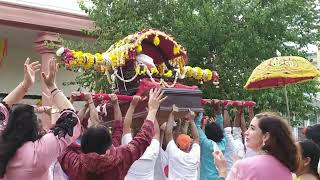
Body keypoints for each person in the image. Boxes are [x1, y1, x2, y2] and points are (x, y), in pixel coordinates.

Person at [58, 88, 166, 180]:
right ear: (110, 144)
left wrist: (71, 102)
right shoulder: (119, 159)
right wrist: (152, 109)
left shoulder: (74, 163)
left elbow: (62, 139)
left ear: (82, 146)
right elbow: (141, 138)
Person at [0, 58, 81, 180]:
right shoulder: (39, 150)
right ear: (35, 125)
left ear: (9, 122)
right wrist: (52, 86)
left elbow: (2, 108)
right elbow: (71, 120)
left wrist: (25, 85)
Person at [213, 112, 300, 180]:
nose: (246, 132)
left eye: (252, 128)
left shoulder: (244, 166)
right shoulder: (286, 168)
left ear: (265, 136)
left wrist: (223, 170)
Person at [122, 95, 160, 180]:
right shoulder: (153, 150)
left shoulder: (129, 148)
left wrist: (132, 105)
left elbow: (125, 127)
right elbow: (157, 132)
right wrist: (152, 111)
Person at [165, 107, 200, 180]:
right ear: (189, 145)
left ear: (177, 144)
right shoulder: (194, 156)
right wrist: (192, 120)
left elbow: (168, 134)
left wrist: (172, 114)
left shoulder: (174, 153)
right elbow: (196, 138)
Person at [196, 100, 226, 180]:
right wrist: (218, 110)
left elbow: (197, 127)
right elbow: (220, 125)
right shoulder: (223, 143)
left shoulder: (206, 144)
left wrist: (201, 108)